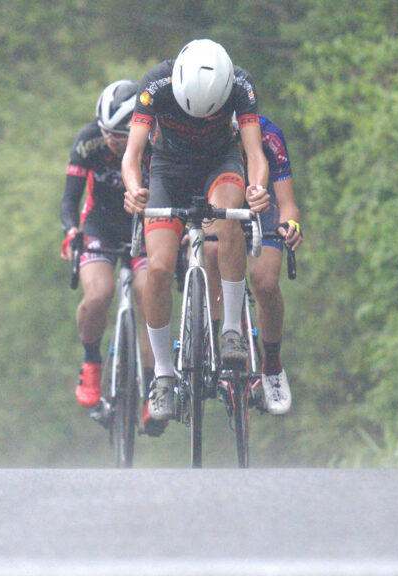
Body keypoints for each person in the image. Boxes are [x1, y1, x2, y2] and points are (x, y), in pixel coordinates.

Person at [122, 39, 270, 421]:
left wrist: (256, 188)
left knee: (230, 218)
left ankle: (232, 330)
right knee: (157, 267)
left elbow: (254, 153)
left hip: (219, 162)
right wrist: (134, 190)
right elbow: (132, 154)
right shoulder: (156, 83)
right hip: (167, 170)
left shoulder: (240, 85)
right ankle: (164, 376)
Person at [60, 80, 164, 435]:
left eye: (119, 135)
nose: (110, 140)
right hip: (100, 224)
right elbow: (68, 200)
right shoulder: (88, 140)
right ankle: (91, 362)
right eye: (105, 131)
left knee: (148, 293)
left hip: (144, 228)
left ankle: (153, 387)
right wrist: (71, 231)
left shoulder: (155, 142)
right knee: (99, 294)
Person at [204, 114, 302, 414]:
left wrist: (290, 225)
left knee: (265, 281)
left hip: (262, 214)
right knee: (209, 252)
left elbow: (287, 203)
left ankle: (272, 365)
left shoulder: (270, 135)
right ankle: (214, 335)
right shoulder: (205, 134)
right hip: (221, 210)